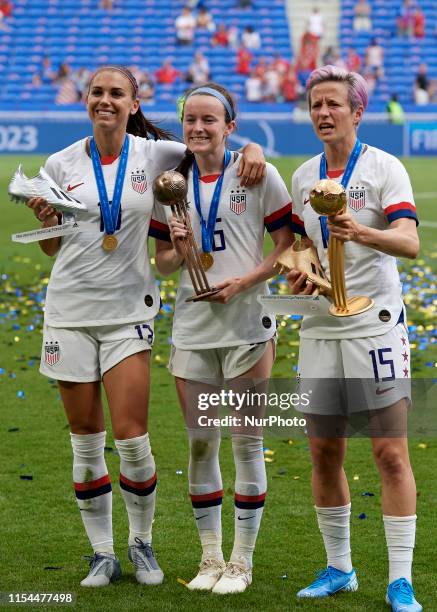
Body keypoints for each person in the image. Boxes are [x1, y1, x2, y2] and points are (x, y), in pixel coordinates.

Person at [24, 66, 265, 589]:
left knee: (132, 438)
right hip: (68, 311)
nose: (104, 101)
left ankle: (142, 543)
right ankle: (102, 553)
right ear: (86, 100)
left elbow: (209, 141)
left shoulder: (153, 154)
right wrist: (46, 220)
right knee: (85, 443)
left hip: (130, 311)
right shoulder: (59, 162)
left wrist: (252, 151)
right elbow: (51, 246)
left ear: (134, 103)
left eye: (116, 93)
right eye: (97, 93)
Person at [287, 65, 421, 612]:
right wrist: (301, 272)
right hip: (320, 324)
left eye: (333, 104)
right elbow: (301, 247)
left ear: (357, 112)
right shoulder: (302, 177)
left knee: (390, 453)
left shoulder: (385, 168)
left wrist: (360, 231)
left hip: (375, 324)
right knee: (324, 451)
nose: (323, 112)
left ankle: (399, 580)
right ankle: (339, 567)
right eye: (316, 104)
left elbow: (410, 243)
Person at [154, 83, 294, 595]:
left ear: (230, 127)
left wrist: (245, 283)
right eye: (191, 118)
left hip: (247, 326)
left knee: (246, 443)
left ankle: (242, 561)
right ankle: (210, 557)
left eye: (210, 120)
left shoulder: (258, 171)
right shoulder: (169, 182)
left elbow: (286, 246)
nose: (198, 127)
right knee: (199, 444)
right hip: (193, 327)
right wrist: (176, 247)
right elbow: (162, 264)